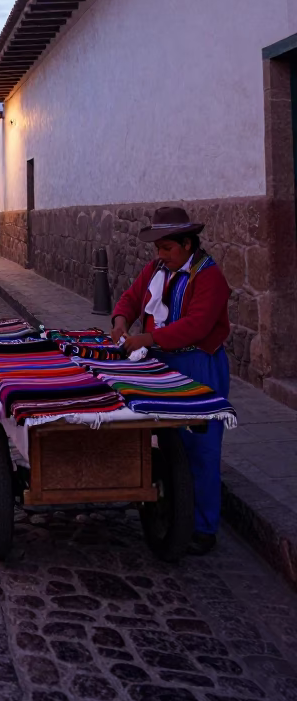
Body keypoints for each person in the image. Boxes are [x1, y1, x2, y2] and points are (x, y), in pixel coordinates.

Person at [111, 205, 231, 556]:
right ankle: (172, 509)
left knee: (201, 450)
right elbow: (132, 298)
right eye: (157, 248)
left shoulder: (210, 278)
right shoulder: (157, 270)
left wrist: (147, 339)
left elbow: (197, 324)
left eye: (167, 248)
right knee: (168, 441)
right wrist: (121, 321)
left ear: (188, 244)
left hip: (198, 366)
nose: (160, 255)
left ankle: (203, 527)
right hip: (163, 365)